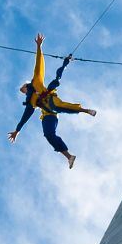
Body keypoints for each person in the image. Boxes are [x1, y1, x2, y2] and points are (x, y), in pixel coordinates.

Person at [7, 33, 96, 169]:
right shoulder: (30, 101)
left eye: (22, 89)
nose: (22, 91)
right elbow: (25, 116)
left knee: (57, 103)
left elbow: (38, 65)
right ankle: (69, 156)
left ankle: (85, 110)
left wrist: (39, 47)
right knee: (48, 135)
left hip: (51, 100)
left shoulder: (35, 82)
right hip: (49, 115)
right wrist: (17, 130)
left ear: (26, 86)